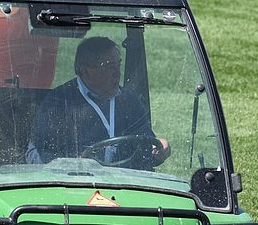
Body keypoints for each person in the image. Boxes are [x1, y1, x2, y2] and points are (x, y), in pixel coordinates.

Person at [27, 36, 170, 167]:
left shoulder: (129, 101)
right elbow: (35, 155)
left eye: (118, 65)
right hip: (76, 185)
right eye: (109, 67)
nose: (117, 73)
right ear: (86, 71)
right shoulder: (59, 103)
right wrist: (71, 164)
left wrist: (157, 151)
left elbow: (145, 144)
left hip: (124, 185)